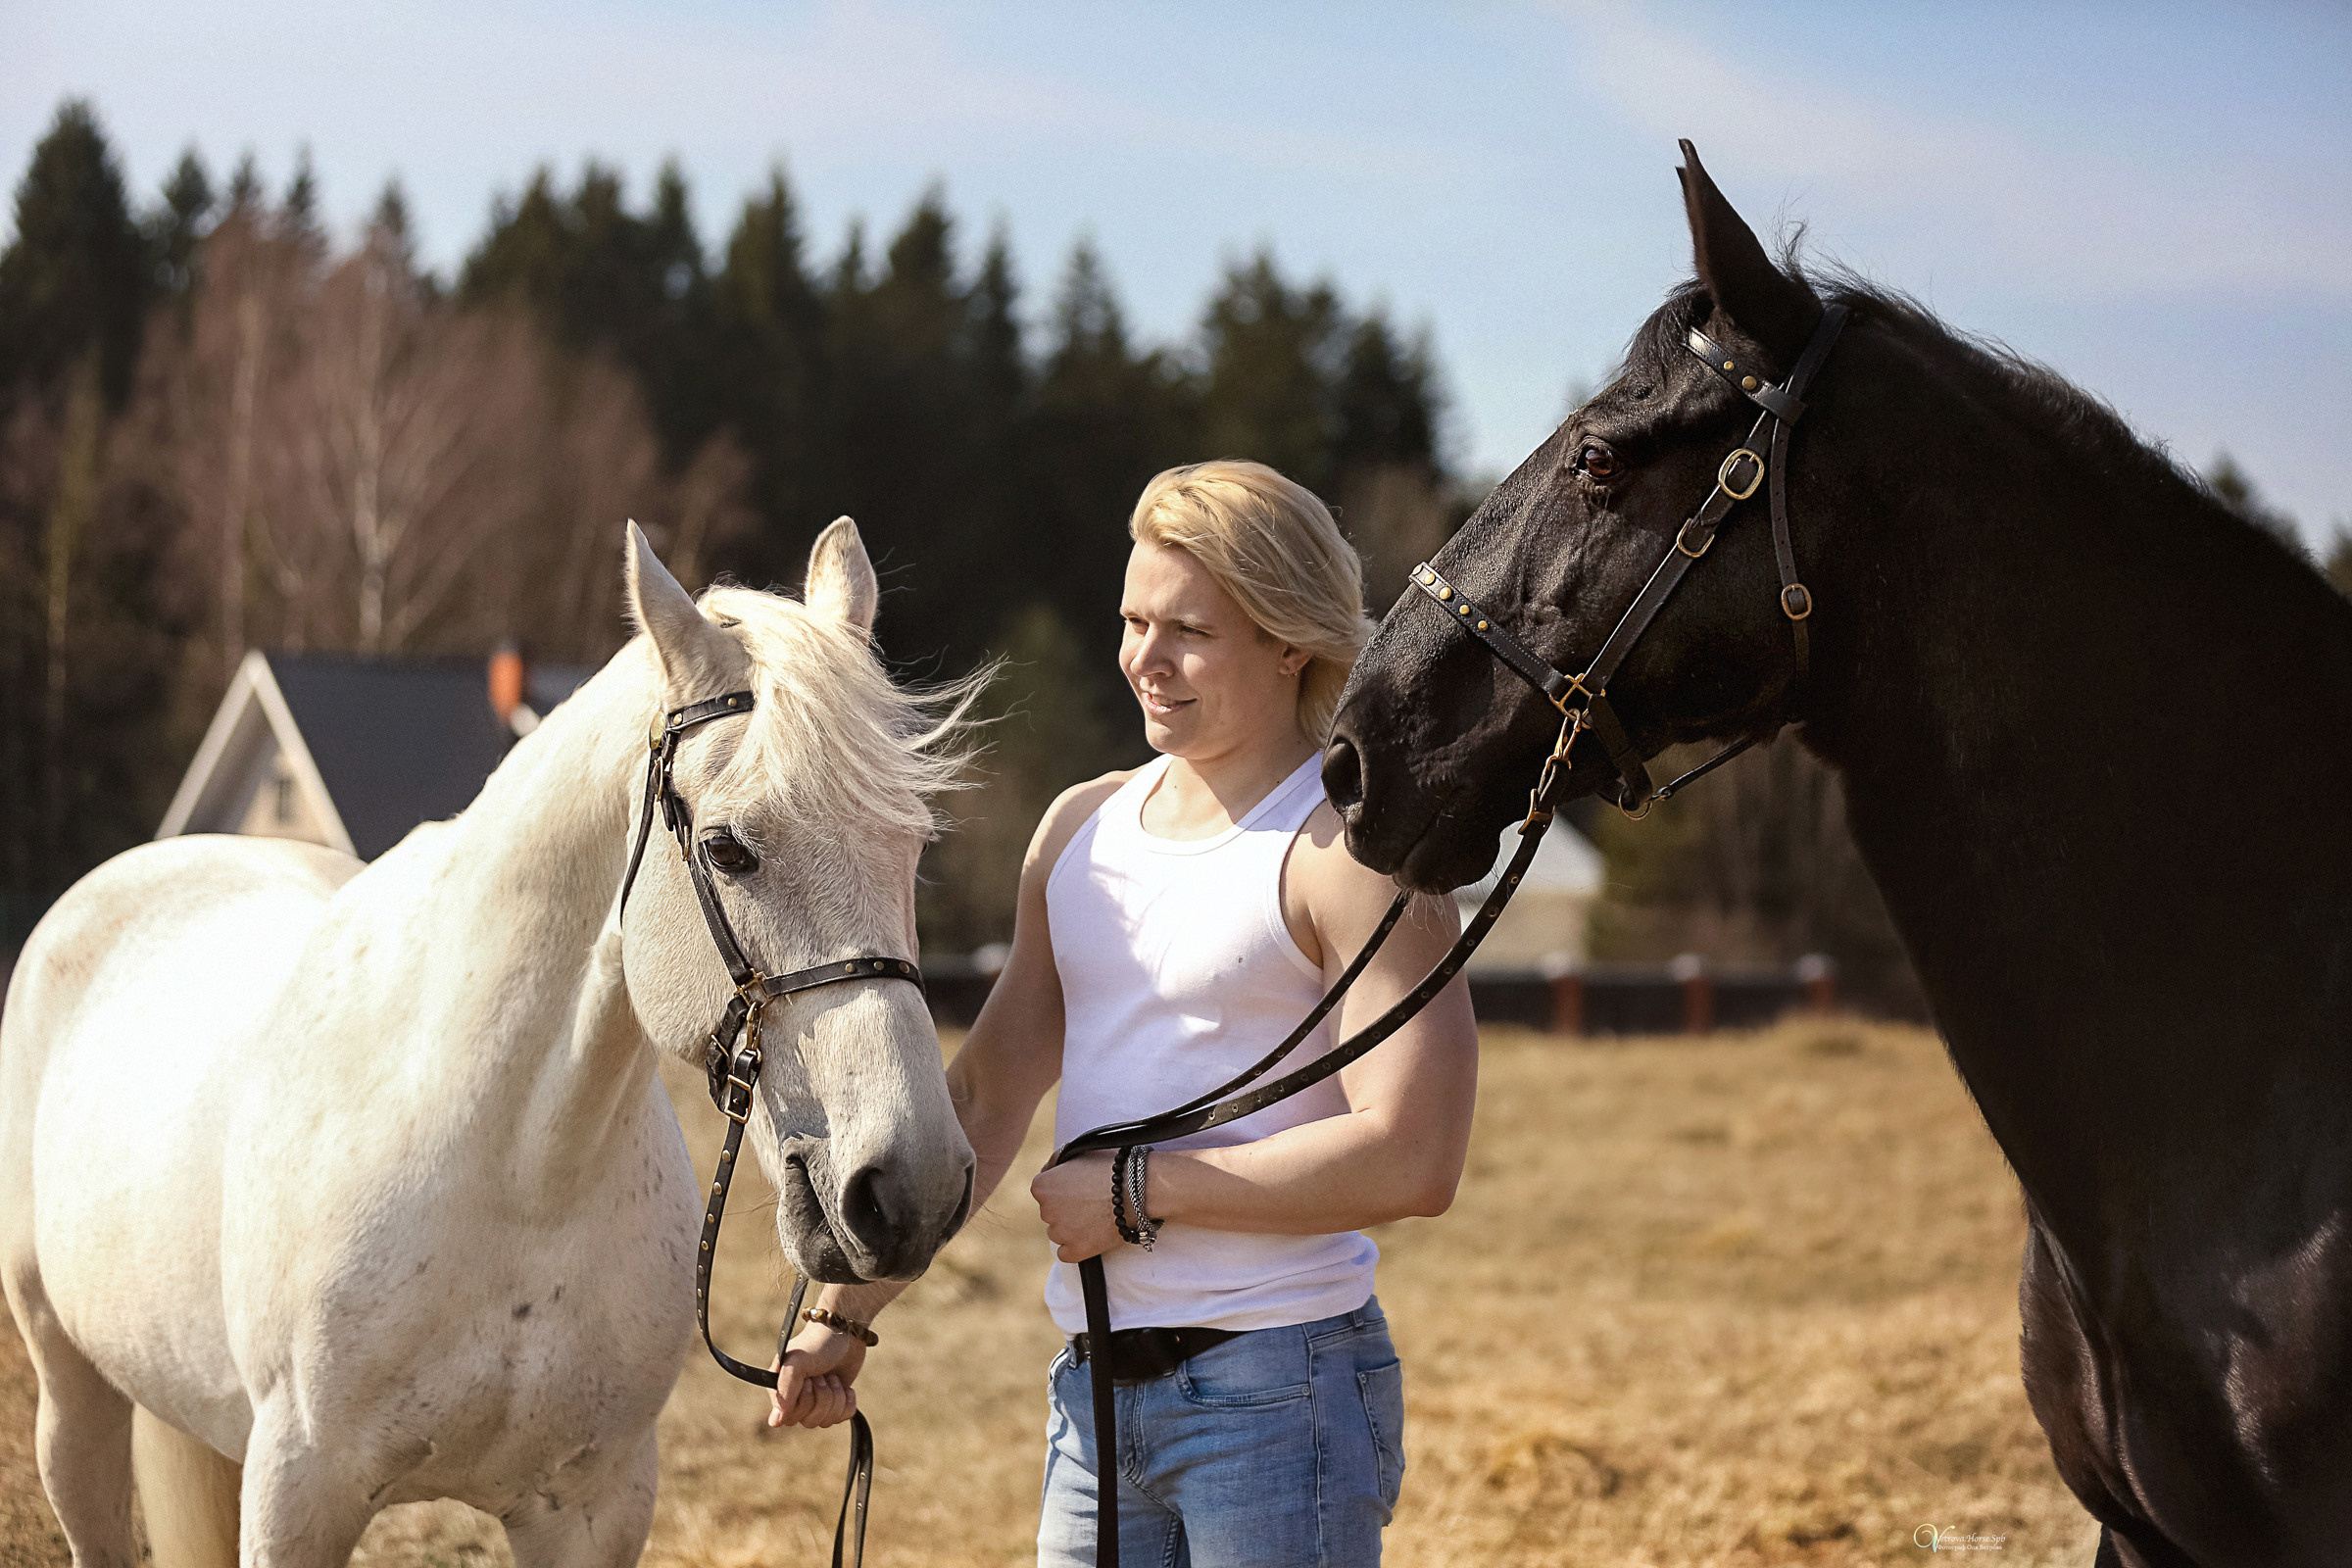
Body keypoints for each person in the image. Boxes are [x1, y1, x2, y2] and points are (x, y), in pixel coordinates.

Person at [768, 459, 1479, 1566]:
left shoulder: (1352, 848)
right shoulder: (1080, 830)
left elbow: (1416, 1155)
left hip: (1280, 1390)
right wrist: (844, 1312)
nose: (1146, 659)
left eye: (1189, 630)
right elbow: (989, 1094)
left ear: (1289, 640)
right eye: (1133, 620)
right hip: (1093, 1397)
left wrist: (1140, 1192)